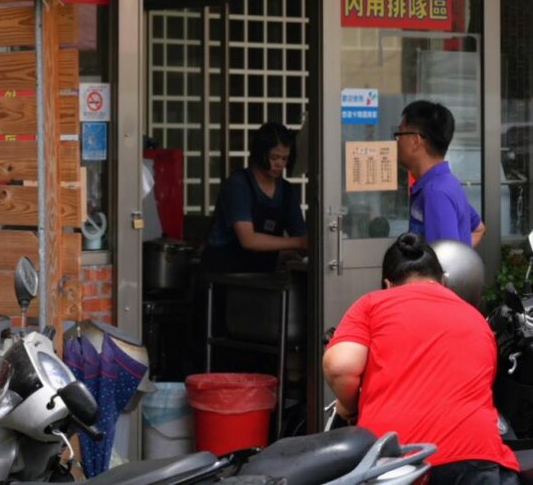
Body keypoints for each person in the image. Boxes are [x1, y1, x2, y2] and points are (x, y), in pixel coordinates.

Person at [324, 233, 518, 485]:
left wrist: (350, 407)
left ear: (387, 284)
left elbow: (339, 367)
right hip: (475, 458)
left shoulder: (373, 304)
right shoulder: (475, 318)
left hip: (396, 460)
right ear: (443, 281)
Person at [201, 121, 307, 274]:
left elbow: (301, 239)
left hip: (261, 275)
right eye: (274, 157)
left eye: (284, 159)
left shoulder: (287, 191)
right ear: (260, 153)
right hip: (224, 276)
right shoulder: (238, 184)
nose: (279, 164)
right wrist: (298, 243)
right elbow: (248, 240)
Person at [396, 100, 485, 246]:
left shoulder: (436, 193)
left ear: (415, 140)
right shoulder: (446, 183)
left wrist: (459, 257)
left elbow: (444, 262)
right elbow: (478, 229)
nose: (397, 141)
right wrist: (463, 253)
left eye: (400, 134)